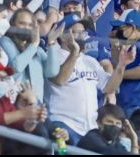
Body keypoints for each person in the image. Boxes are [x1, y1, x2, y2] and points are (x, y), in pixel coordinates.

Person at [47, 13, 133, 145]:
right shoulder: (54, 55)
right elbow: (60, 80)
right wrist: (75, 52)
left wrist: (121, 65)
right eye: (75, 32)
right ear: (63, 36)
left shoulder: (90, 61)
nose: (81, 36)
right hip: (63, 123)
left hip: (90, 128)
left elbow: (109, 87)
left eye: (82, 32)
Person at [0, 8, 61, 102]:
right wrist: (34, 44)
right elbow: (16, 67)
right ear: (12, 24)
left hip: (36, 107)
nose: (26, 27)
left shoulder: (38, 50)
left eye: (30, 25)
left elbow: (52, 72)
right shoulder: (5, 41)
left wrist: (51, 43)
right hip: (15, 105)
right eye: (22, 23)